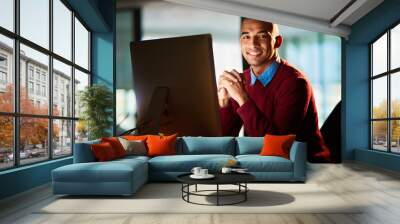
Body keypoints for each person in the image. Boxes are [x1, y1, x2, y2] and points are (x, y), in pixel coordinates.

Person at [218, 18, 330, 162]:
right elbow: (223, 141)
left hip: (307, 165)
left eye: (262, 36)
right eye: (246, 36)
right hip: (258, 162)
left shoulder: (295, 83)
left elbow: (277, 146)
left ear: (277, 42)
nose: (253, 44)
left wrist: (242, 99)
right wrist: (224, 102)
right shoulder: (240, 81)